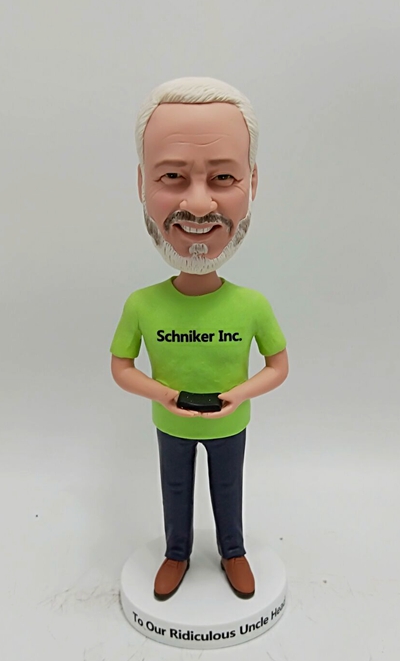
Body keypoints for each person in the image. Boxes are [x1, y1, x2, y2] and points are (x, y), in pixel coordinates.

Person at [110, 77, 289, 601]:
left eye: (223, 176)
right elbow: (121, 367)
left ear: (252, 182)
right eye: (171, 175)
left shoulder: (252, 305)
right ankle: (176, 552)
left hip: (231, 423)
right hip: (171, 423)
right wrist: (164, 394)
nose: (199, 203)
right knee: (175, 488)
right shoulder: (142, 305)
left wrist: (240, 394)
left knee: (229, 487)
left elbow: (278, 366)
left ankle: (233, 551)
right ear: (141, 183)